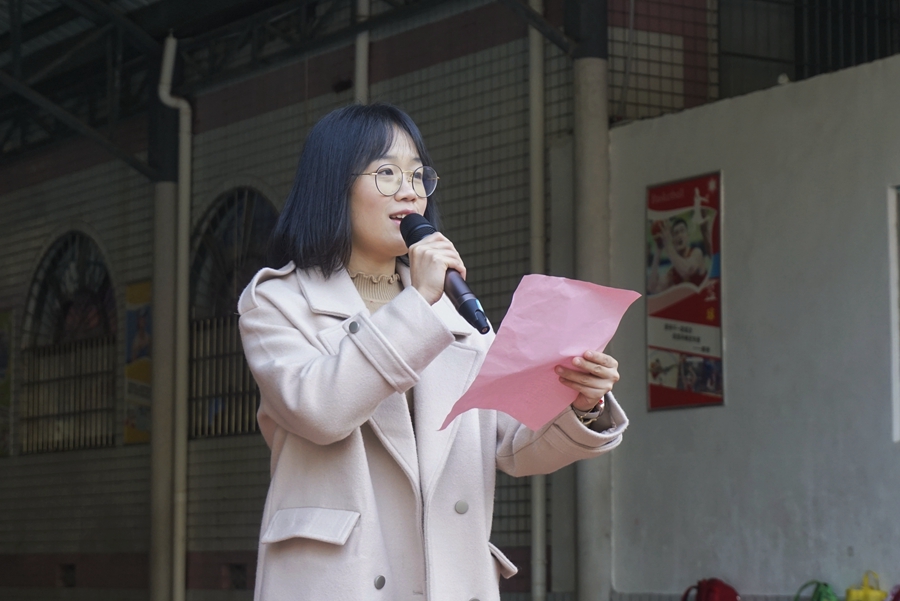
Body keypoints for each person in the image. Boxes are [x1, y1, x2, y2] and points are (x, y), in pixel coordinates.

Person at [238, 103, 628, 601]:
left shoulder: (450, 306)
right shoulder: (279, 301)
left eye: (418, 174)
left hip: (449, 581)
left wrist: (581, 403)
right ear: (332, 185)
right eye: (386, 173)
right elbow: (320, 412)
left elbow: (512, 444)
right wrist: (418, 304)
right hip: (339, 582)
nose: (410, 190)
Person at [648, 216, 708, 294]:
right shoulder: (674, 271)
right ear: (673, 240)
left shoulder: (697, 253)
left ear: (688, 236)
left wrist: (668, 245)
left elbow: (686, 271)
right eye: (676, 233)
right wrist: (658, 250)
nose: (679, 235)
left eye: (682, 231)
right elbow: (652, 288)